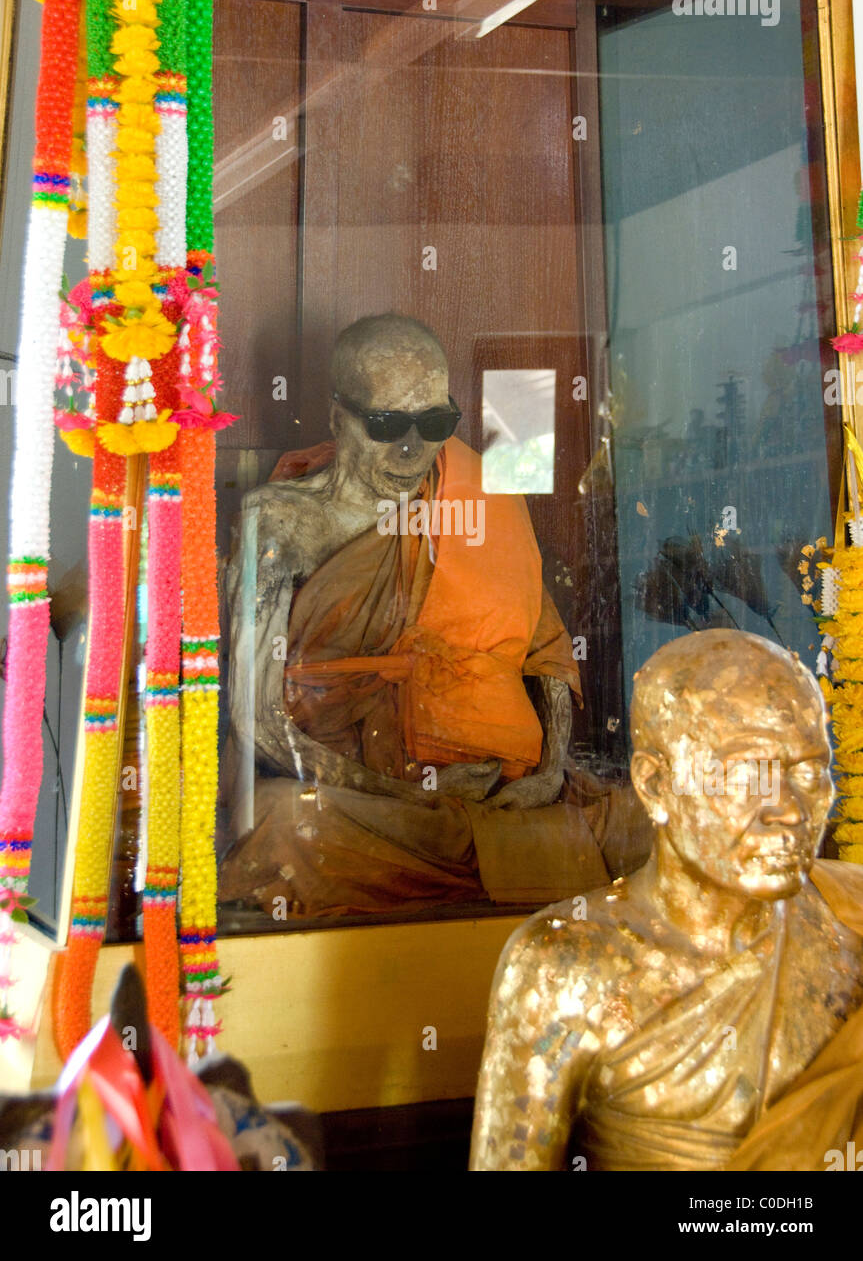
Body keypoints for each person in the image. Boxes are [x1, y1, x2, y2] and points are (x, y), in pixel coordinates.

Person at [219, 314, 623, 917]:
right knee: (284, 820)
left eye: (434, 424)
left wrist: (547, 776)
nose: (412, 451)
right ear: (338, 418)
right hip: (363, 799)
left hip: (499, 790)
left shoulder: (479, 498)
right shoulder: (279, 522)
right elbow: (255, 716)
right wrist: (409, 795)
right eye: (386, 425)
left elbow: (546, 653)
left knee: (632, 826)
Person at [470, 629, 863, 1170]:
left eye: (810, 773)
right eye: (747, 773)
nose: (791, 811)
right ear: (656, 786)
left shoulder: (850, 921)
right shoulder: (564, 969)